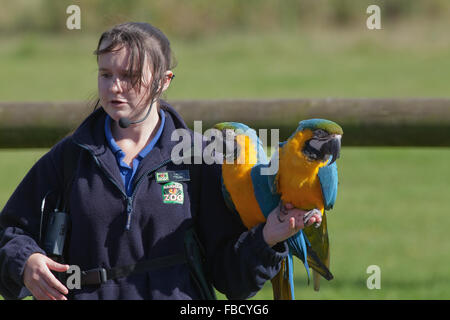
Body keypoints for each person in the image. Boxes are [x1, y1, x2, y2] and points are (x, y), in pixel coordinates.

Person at [0, 22, 320, 300]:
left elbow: (230, 278)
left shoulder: (200, 159)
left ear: (164, 81)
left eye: (130, 76)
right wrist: (25, 262)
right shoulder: (70, 156)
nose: (114, 87)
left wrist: (268, 238)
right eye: (106, 74)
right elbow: (9, 232)